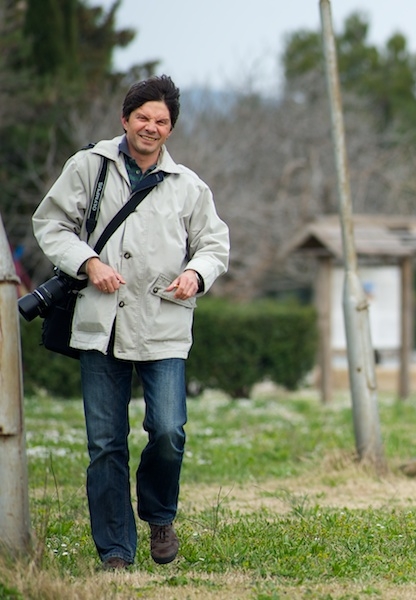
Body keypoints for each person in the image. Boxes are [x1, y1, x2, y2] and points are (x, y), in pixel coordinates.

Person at [31, 75, 230, 570]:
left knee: (168, 430)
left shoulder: (189, 186)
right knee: (106, 445)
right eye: (143, 117)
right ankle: (116, 551)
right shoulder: (88, 167)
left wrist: (195, 274)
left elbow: (214, 245)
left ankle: (159, 515)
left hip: (163, 324)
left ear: (171, 129)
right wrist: (89, 263)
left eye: (161, 121)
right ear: (125, 119)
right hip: (100, 326)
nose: (151, 127)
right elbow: (50, 223)